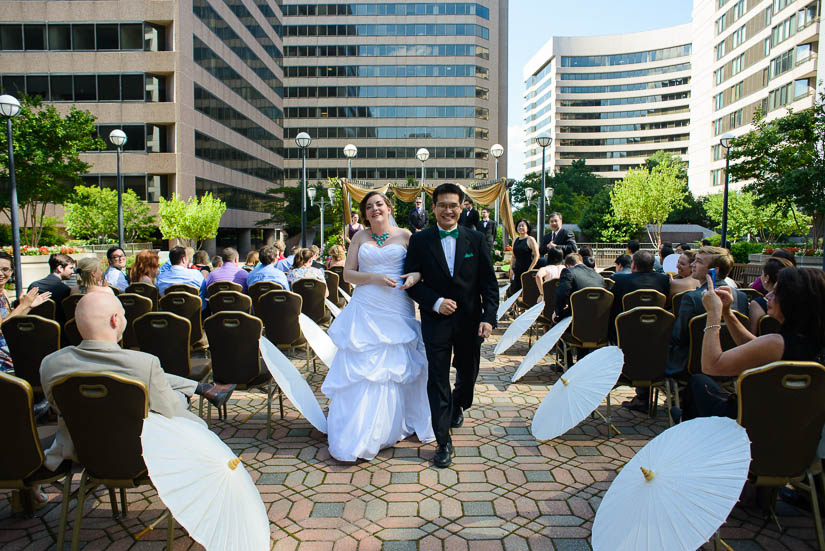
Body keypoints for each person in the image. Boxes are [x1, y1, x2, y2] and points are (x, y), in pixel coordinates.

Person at [39, 292, 235, 471]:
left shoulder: (51, 364)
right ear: (115, 320)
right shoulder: (144, 363)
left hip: (81, 452)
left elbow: (59, 407)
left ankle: (202, 389)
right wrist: (203, 428)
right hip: (138, 454)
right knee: (184, 412)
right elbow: (171, 411)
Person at [322, 191, 434, 462]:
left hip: (397, 306)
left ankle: (392, 423)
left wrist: (416, 275)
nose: (375, 209)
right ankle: (360, 430)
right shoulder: (359, 237)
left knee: (395, 367)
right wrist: (371, 276)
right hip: (366, 307)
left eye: (379, 204)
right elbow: (348, 273)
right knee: (364, 368)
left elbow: (424, 268)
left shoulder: (406, 236)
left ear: (389, 207)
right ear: (365, 213)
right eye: (369, 207)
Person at [404, 183, 498, 468]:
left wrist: (488, 317)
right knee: (438, 379)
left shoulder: (477, 238)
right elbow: (411, 283)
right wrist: (435, 302)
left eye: (453, 205)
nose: (448, 210)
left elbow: (489, 284)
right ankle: (443, 440)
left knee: (467, 375)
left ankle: (459, 404)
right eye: (442, 205)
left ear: (461, 207)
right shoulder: (420, 241)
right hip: (436, 322)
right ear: (433, 208)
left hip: (471, 321)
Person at [684, 268, 825, 420]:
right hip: (790, 423)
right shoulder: (807, 339)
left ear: (793, 301)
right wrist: (727, 313)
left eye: (776, 293)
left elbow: (711, 365)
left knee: (697, 382)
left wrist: (713, 314)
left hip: (748, 422)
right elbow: (757, 347)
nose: (768, 296)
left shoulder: (776, 343)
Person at [663, 246, 749, 379]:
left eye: (698, 261)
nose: (692, 264)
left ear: (715, 270)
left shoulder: (691, 298)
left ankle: (643, 397)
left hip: (693, 367)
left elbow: (679, 337)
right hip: (732, 365)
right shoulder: (741, 297)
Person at [0, 251, 52, 371]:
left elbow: (11, 323)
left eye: (5, 269)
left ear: (11, 272)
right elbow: (2, 328)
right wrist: (23, 305)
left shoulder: (4, 293)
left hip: (9, 348)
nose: (1, 273)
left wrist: (29, 306)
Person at [748, 256, 793, 334]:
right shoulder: (796, 302)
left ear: (767, 278)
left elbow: (751, 336)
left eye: (762, 274)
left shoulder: (758, 304)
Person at [554, 253, 605, 321]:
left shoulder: (568, 272)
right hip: (598, 318)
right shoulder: (599, 277)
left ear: (567, 265)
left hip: (576, 318)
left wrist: (558, 313)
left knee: (555, 321)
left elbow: (561, 294)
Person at [508, 219, 540, 296]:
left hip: (527, 269)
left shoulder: (530, 239)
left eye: (523, 226)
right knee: (515, 292)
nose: (521, 227)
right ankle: (516, 307)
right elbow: (513, 256)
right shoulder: (515, 240)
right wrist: (511, 268)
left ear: (527, 228)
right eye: (519, 226)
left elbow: (537, 255)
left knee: (526, 293)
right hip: (517, 269)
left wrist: (530, 270)